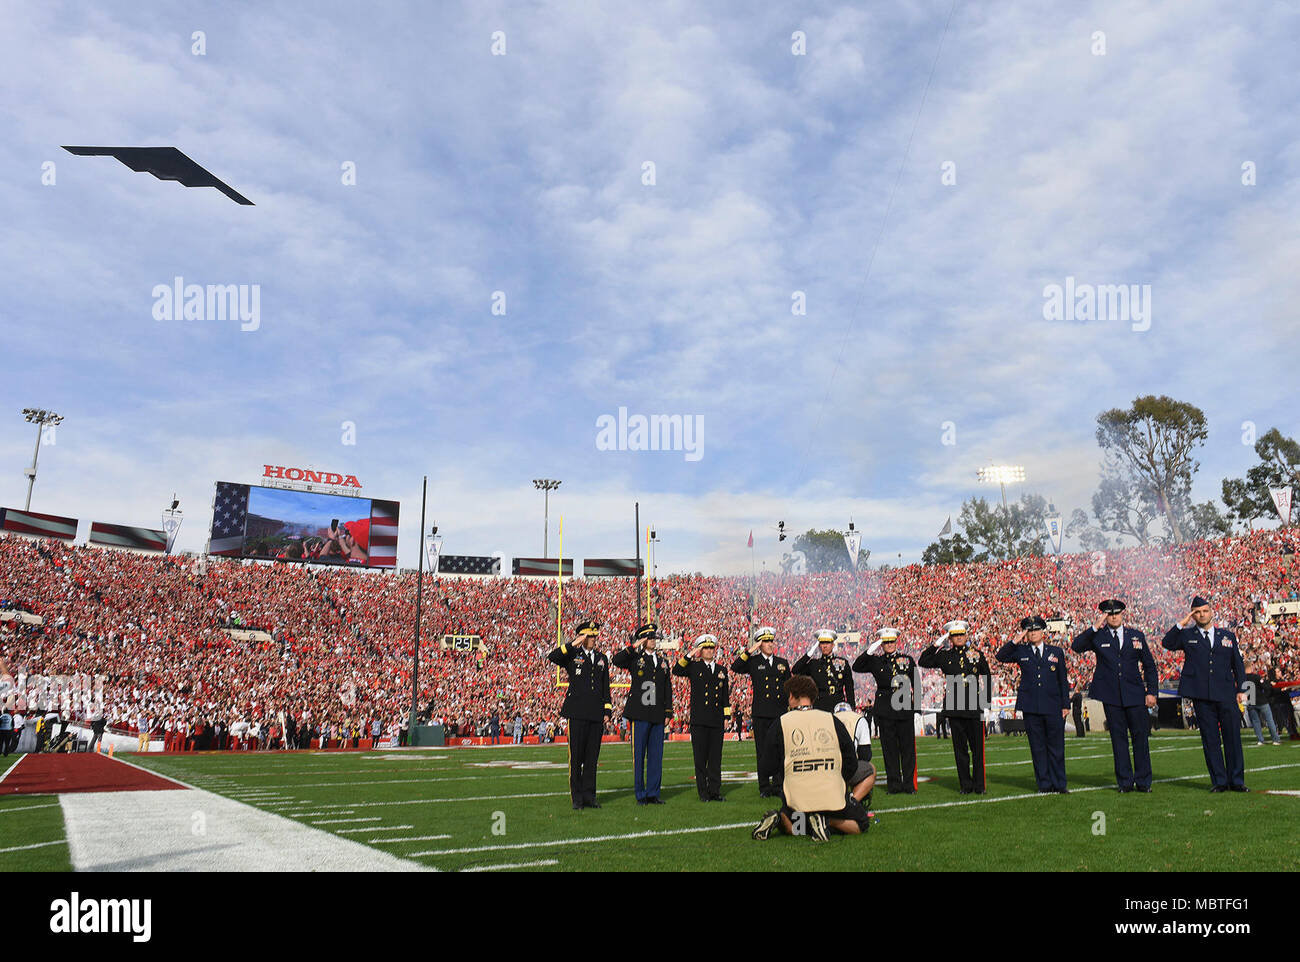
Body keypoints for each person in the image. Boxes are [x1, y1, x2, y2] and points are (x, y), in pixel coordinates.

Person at [751, 676, 869, 842]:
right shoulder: (831, 719)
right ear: (813, 697)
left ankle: (782, 818)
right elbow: (851, 761)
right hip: (831, 795)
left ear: (792, 696)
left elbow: (766, 768)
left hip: (797, 798)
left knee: (796, 825)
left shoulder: (782, 723)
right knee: (861, 824)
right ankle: (827, 821)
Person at [1070, 599, 1160, 792]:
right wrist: (1094, 626)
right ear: (1104, 616)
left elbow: (1150, 666)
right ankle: (1125, 783)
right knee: (1118, 739)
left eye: (1117, 613)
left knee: (1140, 738)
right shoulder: (1098, 636)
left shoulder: (1136, 636)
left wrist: (1151, 691)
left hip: (1135, 693)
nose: (1114, 616)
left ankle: (1144, 782)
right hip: (1111, 695)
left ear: (1123, 614)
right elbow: (1076, 646)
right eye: (1109, 614)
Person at [1161, 596, 1248, 792]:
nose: (1202, 615)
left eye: (1205, 611)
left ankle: (1237, 780)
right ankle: (1219, 781)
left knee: (1232, 738)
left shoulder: (1227, 636)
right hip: (1201, 695)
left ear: (1211, 612)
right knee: (1210, 740)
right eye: (1197, 612)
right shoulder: (1186, 635)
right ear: (1193, 615)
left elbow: (1238, 665)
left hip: (1226, 693)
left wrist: (1242, 689)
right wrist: (1181, 623)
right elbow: (1167, 642)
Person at [996, 616, 1070, 794]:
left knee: (1056, 747)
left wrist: (1065, 705)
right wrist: (1017, 639)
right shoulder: (1021, 651)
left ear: (1043, 631)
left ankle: (1059, 784)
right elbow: (1000, 656)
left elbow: (1062, 680)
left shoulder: (1056, 652)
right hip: (1031, 706)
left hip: (1053, 705)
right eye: (1030, 630)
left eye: (1036, 630)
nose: (1033, 633)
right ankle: (1044, 784)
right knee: (1037, 748)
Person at [918, 620, 991, 794]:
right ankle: (965, 785)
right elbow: (923, 660)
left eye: (961, 634)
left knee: (978, 751)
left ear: (966, 635)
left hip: (975, 708)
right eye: (955, 635)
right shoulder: (944, 655)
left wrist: (986, 704)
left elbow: (987, 677)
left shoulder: (977, 655)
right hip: (954, 708)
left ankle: (979, 786)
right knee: (960, 751)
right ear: (950, 638)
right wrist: (938, 642)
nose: (959, 638)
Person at [547, 619, 612, 809]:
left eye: (594, 636)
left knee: (592, 758)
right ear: (582, 637)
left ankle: (589, 796)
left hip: (596, 713)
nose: (593, 639)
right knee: (576, 757)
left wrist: (607, 709)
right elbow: (553, 656)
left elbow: (605, 686)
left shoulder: (602, 658)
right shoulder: (573, 654)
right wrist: (573, 643)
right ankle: (577, 798)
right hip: (576, 712)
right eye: (589, 636)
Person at [852, 627, 919, 794]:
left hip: (904, 708)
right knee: (889, 750)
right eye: (885, 642)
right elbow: (857, 666)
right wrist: (872, 648)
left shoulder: (907, 659)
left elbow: (916, 682)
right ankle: (894, 785)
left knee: (907, 749)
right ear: (882, 644)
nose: (889, 644)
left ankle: (909, 785)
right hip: (885, 710)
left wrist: (916, 708)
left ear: (896, 641)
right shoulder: (876, 661)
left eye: (891, 641)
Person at [613, 622, 674, 805]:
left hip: (657, 713)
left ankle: (653, 792)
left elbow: (667, 689)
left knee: (656, 756)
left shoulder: (663, 662)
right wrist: (635, 646)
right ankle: (640, 793)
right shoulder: (635, 659)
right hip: (640, 713)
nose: (653, 641)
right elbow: (617, 660)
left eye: (654, 637)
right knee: (639, 756)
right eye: (649, 638)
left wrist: (668, 712)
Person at [731, 625, 791, 797]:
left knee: (780, 750)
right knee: (763, 751)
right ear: (759, 644)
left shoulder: (782, 663)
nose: (770, 644)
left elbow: (788, 687)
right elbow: (735, 667)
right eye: (766, 641)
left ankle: (779, 785)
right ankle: (764, 786)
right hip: (761, 713)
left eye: (771, 641)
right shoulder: (754, 662)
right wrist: (750, 650)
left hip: (779, 713)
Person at [673, 634, 731, 802]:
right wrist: (691, 653)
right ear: (700, 650)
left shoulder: (722, 670)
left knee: (715, 759)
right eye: (705, 648)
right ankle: (703, 793)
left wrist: (726, 715)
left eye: (711, 647)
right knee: (700, 759)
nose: (709, 650)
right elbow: (676, 669)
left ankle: (715, 791)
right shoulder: (694, 667)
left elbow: (725, 696)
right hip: (699, 720)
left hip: (716, 719)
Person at [791, 629, 855, 712]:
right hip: (820, 705)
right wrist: (810, 652)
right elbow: (795, 670)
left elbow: (849, 688)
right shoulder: (814, 664)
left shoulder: (842, 663)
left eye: (827, 643)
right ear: (819, 646)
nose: (825, 646)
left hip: (838, 704)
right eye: (822, 643)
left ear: (833, 645)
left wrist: (851, 707)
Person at [833, 700, 877, 809]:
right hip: (846, 768)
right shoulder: (858, 719)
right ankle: (852, 803)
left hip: (826, 768)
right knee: (870, 769)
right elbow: (865, 754)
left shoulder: (827, 719)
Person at [1243, 662, 1281, 746]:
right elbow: (1265, 687)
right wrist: (1270, 686)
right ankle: (1275, 739)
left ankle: (1260, 740)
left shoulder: (1242, 678)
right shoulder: (1256, 677)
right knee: (1269, 720)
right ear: (1251, 667)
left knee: (1256, 722)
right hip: (1261, 701)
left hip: (1250, 701)